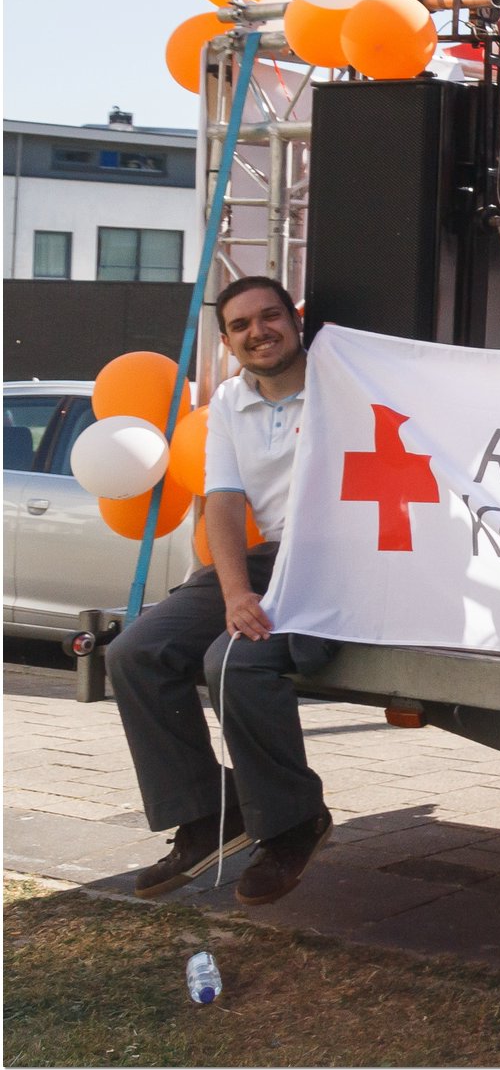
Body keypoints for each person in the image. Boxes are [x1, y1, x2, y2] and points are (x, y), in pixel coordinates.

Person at [111, 275, 337, 906]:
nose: (258, 332)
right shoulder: (230, 402)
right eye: (241, 325)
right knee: (133, 653)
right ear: (228, 342)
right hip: (267, 558)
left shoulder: (340, 384)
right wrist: (236, 594)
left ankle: (294, 823)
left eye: (270, 317)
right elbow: (225, 502)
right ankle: (212, 814)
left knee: (233, 661)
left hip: (333, 560)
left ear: (295, 320)